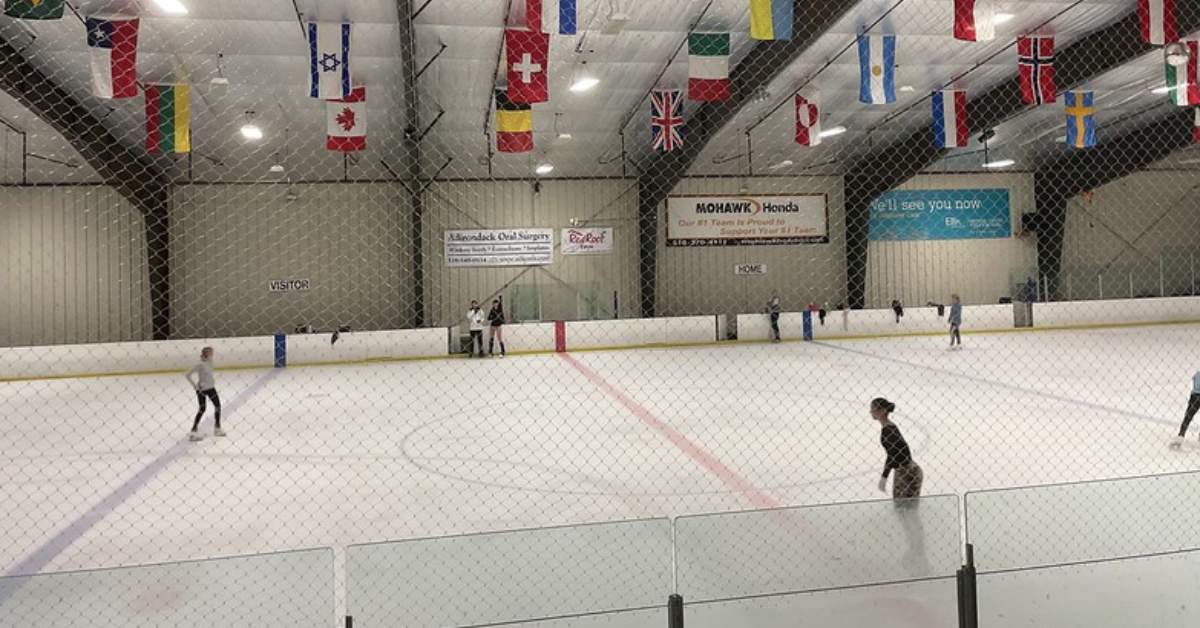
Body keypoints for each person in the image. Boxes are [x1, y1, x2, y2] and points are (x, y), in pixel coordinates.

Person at [871, 397, 922, 502]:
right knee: (906, 510)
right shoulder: (890, 427)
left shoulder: (888, 430)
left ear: (882, 410)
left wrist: (884, 476)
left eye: (873, 409)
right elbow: (894, 452)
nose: (871, 412)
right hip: (908, 470)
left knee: (903, 510)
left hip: (906, 472)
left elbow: (893, 453)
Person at [185, 347, 223, 441]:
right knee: (202, 409)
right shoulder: (199, 364)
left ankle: (217, 428)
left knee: (217, 406)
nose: (212, 354)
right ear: (206, 354)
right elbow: (188, 375)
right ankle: (194, 430)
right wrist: (195, 386)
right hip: (202, 390)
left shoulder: (211, 362)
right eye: (211, 353)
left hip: (211, 388)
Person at [1170, 371, 1200, 449]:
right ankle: (1181, 435)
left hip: (1195, 396)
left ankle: (1181, 434)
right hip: (1195, 395)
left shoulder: (1197, 374)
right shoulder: (1197, 374)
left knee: (1188, 416)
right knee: (1188, 416)